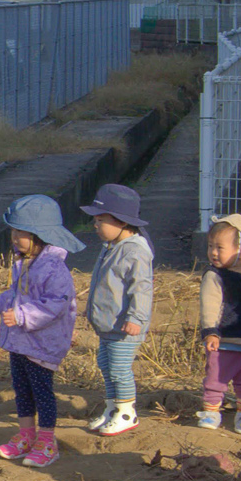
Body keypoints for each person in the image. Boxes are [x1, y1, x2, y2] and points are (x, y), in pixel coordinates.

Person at [0, 195, 80, 469]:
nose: (14, 238)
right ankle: (26, 435)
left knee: (42, 392)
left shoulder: (54, 268)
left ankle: (47, 442)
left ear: (40, 236)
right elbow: (15, 294)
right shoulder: (25, 262)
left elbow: (55, 304)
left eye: (21, 233)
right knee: (22, 391)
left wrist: (21, 315)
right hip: (22, 342)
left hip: (42, 343)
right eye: (14, 231)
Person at [79, 184, 153, 438]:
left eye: (101, 220)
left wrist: (136, 318)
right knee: (105, 364)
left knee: (120, 368)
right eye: (95, 220)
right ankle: (112, 409)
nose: (95, 225)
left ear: (122, 221)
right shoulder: (112, 246)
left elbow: (141, 289)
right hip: (109, 325)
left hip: (125, 327)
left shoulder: (135, 251)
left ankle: (126, 413)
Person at [196, 214, 241, 435]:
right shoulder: (215, 275)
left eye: (220, 247)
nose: (213, 253)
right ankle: (211, 412)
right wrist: (210, 331)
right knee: (215, 378)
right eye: (211, 246)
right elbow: (209, 305)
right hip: (224, 341)